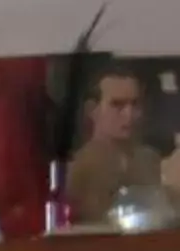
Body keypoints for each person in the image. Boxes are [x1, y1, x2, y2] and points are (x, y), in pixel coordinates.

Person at [67, 66, 166, 224]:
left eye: (135, 104)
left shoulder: (152, 161)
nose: (130, 115)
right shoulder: (77, 170)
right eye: (117, 105)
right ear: (92, 109)